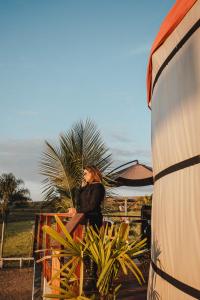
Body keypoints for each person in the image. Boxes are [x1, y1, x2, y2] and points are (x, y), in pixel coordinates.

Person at [67, 165, 105, 292]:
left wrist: (77, 210)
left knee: (91, 248)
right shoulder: (86, 187)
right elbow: (79, 203)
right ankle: (91, 276)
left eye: (86, 173)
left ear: (93, 173)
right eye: (83, 173)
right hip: (84, 221)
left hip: (94, 220)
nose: (84, 175)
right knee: (83, 249)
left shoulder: (98, 187)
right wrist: (81, 188)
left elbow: (92, 205)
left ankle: (92, 278)